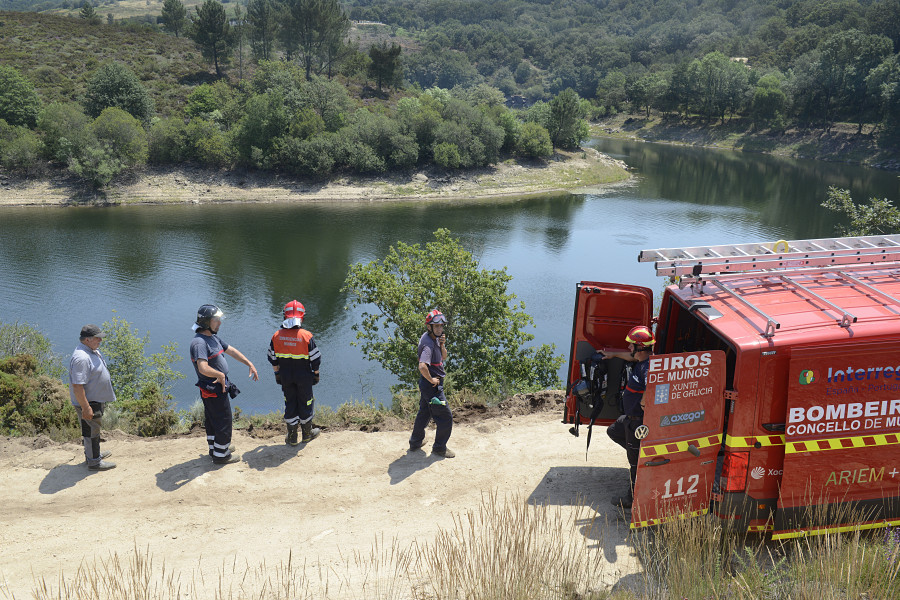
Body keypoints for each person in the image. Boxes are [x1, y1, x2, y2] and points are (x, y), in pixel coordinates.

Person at [189, 304, 259, 465]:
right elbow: (203, 367)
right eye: (216, 320)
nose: (219, 323)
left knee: (214, 419)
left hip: (215, 387)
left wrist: (248, 363)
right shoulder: (199, 343)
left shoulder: (212, 337)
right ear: (207, 322)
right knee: (224, 420)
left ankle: (216, 448)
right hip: (213, 388)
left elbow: (231, 350)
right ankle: (221, 455)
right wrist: (220, 374)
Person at [602, 325, 655, 508]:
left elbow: (651, 384)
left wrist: (643, 401)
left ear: (641, 347)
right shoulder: (643, 360)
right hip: (629, 419)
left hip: (637, 421)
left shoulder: (648, 367)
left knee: (633, 463)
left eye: (632, 346)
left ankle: (632, 499)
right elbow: (629, 356)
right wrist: (613, 355)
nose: (629, 349)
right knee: (614, 431)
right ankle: (643, 456)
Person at [267, 300, 322, 445]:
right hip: (304, 377)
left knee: (290, 402)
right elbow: (316, 358)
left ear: (284, 316)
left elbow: (272, 358)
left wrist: (277, 374)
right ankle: (307, 434)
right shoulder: (306, 336)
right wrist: (316, 374)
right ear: (302, 317)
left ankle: (292, 437)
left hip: (285, 376)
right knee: (306, 402)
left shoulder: (276, 336)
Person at [69, 324, 117, 471]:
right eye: (98, 338)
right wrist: (86, 407)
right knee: (91, 431)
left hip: (94, 400)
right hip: (89, 402)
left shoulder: (90, 350)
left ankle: (93, 455)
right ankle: (94, 462)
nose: (100, 341)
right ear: (87, 340)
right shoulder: (82, 358)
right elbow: (77, 386)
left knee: (92, 430)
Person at [409, 309, 454, 458]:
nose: (440, 329)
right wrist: (432, 380)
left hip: (428, 386)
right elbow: (422, 366)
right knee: (445, 417)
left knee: (424, 412)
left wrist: (442, 345)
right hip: (433, 387)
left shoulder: (434, 337)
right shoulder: (428, 344)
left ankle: (415, 442)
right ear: (429, 327)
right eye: (436, 326)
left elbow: (444, 357)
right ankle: (440, 448)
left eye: (441, 326)